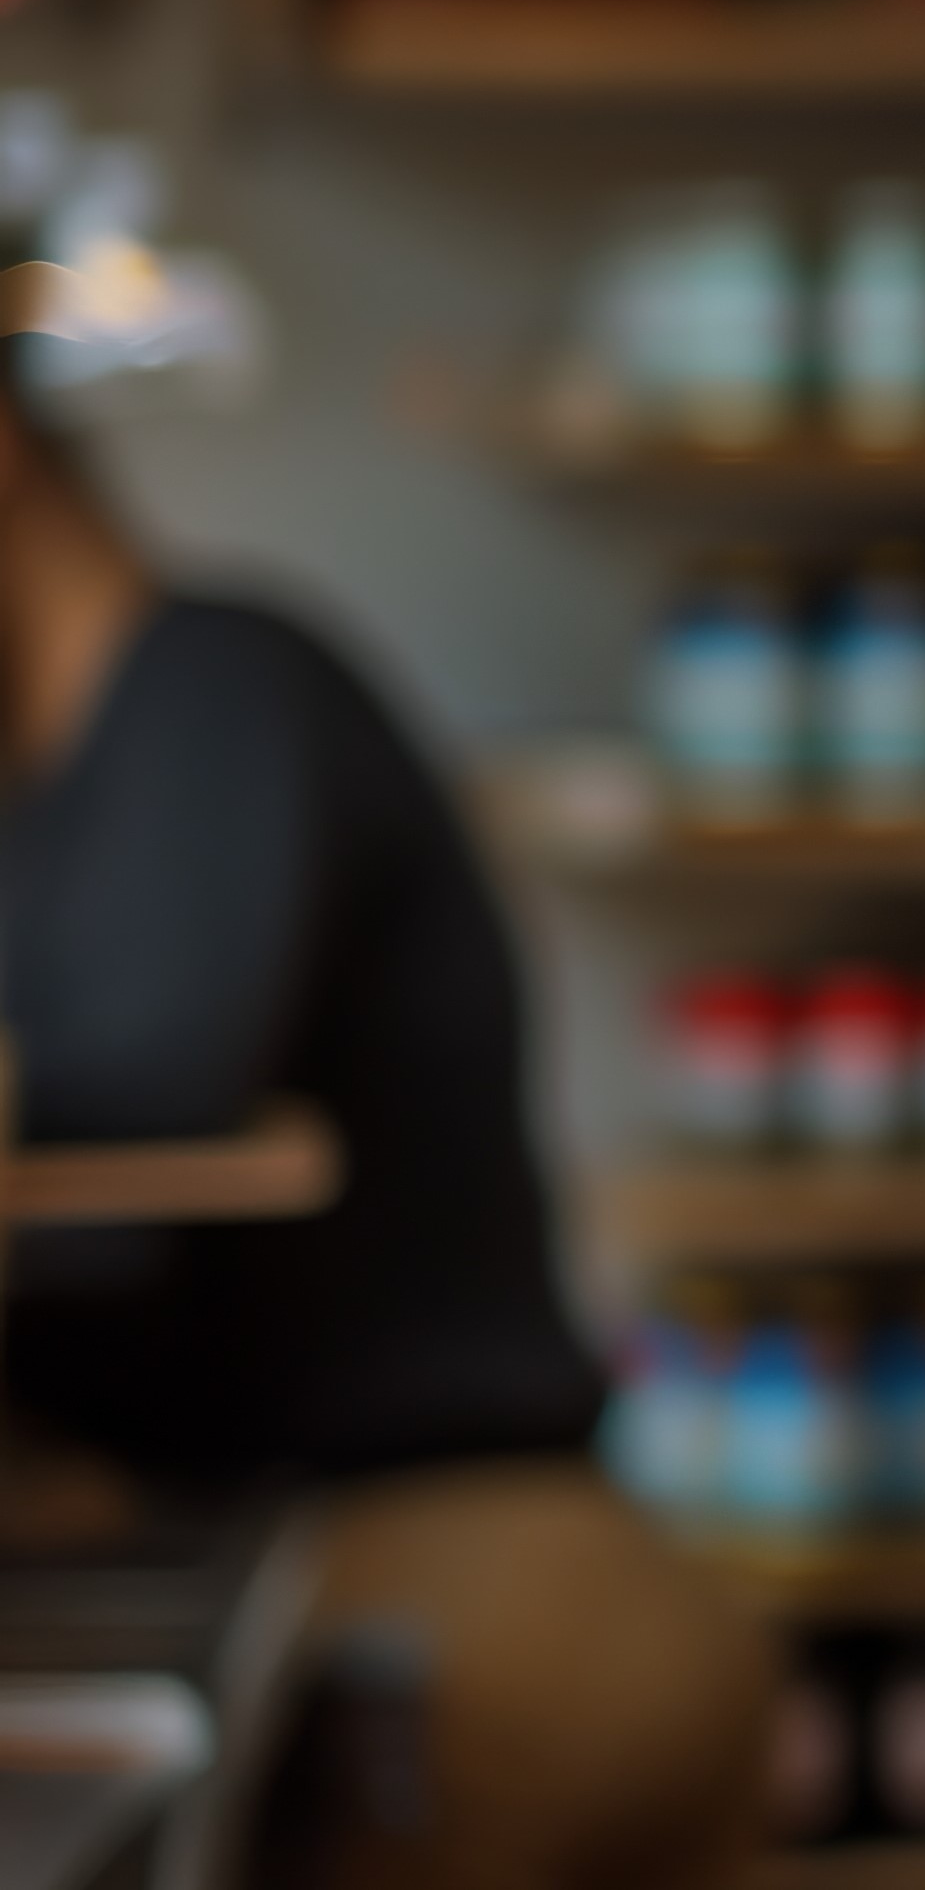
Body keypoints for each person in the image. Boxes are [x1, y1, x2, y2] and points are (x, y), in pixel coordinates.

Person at [0, 376, 774, 1890]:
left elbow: (144, 1098)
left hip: (475, 1589)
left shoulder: (214, 686)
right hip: (415, 1574)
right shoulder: (60, 792)